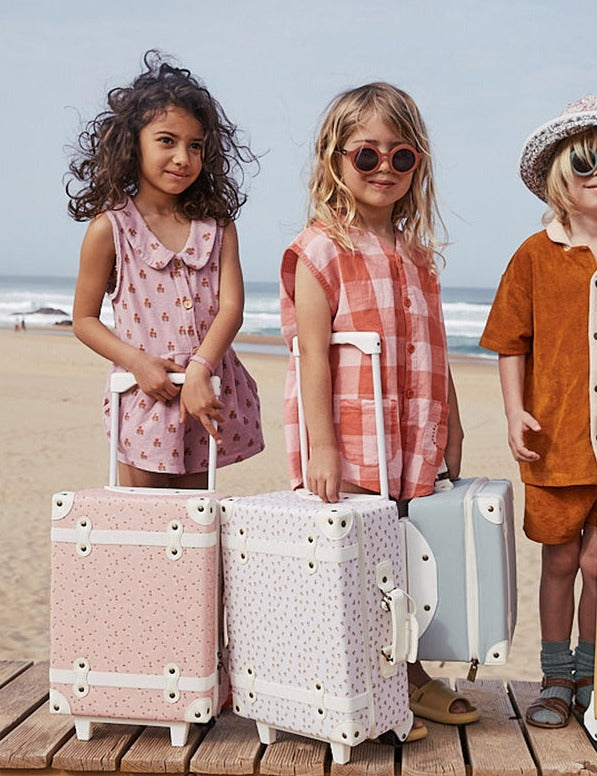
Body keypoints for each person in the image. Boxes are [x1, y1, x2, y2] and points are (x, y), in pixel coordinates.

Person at [280, 82, 479, 741]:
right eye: (366, 156)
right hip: (352, 439)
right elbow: (311, 356)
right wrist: (325, 448)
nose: (384, 170)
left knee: (407, 554)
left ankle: (407, 670)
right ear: (333, 158)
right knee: (356, 561)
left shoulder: (417, 254)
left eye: (401, 158)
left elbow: (436, 345)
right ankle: (359, 683)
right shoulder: (319, 250)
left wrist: (449, 420)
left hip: (410, 437)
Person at [69, 51, 264, 488]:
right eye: (166, 141)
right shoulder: (110, 229)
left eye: (195, 146)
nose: (182, 157)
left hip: (206, 391)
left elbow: (232, 308)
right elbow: (82, 320)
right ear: (131, 142)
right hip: (144, 399)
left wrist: (200, 368)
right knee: (144, 534)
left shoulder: (217, 227)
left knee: (196, 530)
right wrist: (137, 363)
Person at [480, 96, 597, 728]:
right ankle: (555, 677)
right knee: (558, 561)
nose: (596, 172)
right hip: (557, 440)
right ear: (559, 174)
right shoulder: (535, 252)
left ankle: (589, 674)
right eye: (584, 161)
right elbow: (508, 340)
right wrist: (514, 411)